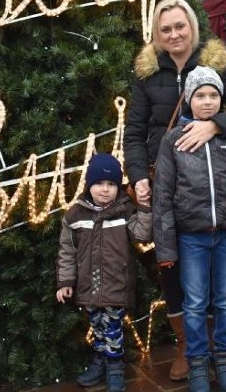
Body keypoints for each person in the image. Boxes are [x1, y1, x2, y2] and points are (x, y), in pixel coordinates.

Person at [123, 0, 226, 381]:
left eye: (179, 26)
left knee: (217, 274)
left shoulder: (216, 66)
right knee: (173, 270)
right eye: (165, 29)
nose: (173, 34)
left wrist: (214, 125)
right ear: (157, 34)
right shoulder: (148, 76)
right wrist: (138, 176)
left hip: (213, 188)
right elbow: (134, 133)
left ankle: (219, 349)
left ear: (192, 27)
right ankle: (188, 347)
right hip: (167, 186)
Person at [152, 66, 226, 392]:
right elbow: (162, 196)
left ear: (221, 99)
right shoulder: (173, 141)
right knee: (194, 302)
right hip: (192, 236)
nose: (207, 102)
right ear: (189, 99)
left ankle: (225, 360)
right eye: (200, 95)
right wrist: (165, 249)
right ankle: (198, 364)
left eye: (213, 95)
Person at [55, 153, 152, 392]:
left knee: (113, 327)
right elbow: (67, 250)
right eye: (99, 183)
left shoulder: (124, 210)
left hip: (116, 282)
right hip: (88, 284)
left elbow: (141, 234)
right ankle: (99, 361)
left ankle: (115, 367)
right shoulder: (75, 215)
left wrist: (145, 208)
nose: (105, 189)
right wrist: (65, 281)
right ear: (89, 185)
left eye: (111, 184)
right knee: (97, 325)